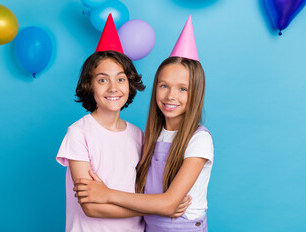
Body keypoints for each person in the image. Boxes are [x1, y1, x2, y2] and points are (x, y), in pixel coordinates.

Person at [74, 16, 214, 232]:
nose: (171, 96)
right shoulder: (150, 136)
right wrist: (159, 208)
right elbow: (149, 198)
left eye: (182, 89)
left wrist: (107, 194)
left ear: (196, 93)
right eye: (164, 86)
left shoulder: (199, 139)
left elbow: (169, 203)